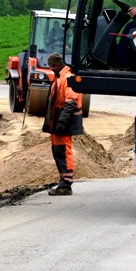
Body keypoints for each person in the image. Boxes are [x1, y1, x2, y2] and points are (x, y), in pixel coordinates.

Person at [42, 52, 84, 195]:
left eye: (53, 65)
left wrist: (62, 122)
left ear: (59, 64)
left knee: (64, 151)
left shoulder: (67, 78)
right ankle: (63, 182)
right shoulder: (59, 77)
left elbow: (71, 103)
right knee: (58, 151)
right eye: (50, 66)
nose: (51, 68)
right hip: (58, 119)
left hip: (65, 120)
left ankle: (66, 185)